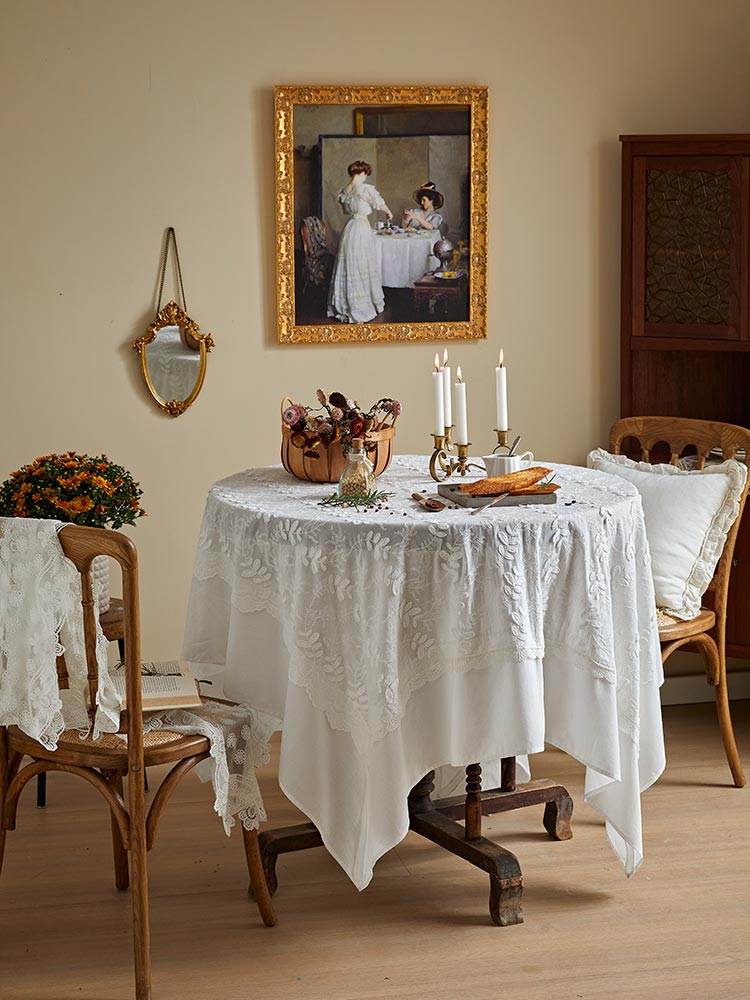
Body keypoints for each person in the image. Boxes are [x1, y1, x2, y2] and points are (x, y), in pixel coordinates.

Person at [327, 160, 392, 324]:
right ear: (362, 173)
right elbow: (379, 203)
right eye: (365, 175)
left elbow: (345, 211)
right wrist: (389, 213)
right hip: (361, 228)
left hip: (350, 229)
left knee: (350, 264)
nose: (365, 177)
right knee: (362, 263)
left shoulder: (344, 191)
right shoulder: (365, 189)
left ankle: (345, 303)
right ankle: (359, 304)